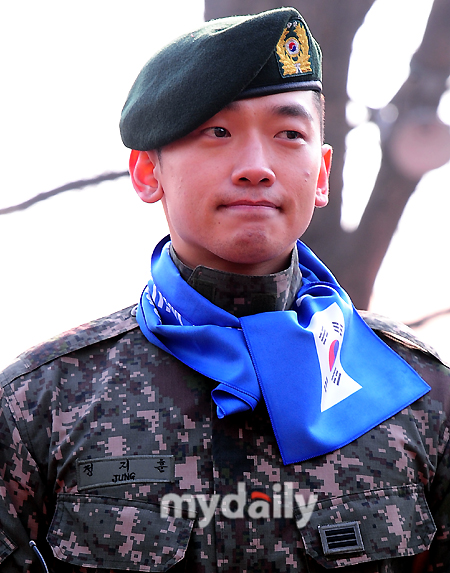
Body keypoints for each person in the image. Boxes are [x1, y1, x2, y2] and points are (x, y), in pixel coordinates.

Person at [0, 7, 449, 573]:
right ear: (147, 173)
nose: (256, 167)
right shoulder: (43, 401)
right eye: (218, 132)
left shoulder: (420, 393)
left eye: (289, 134)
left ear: (321, 175)